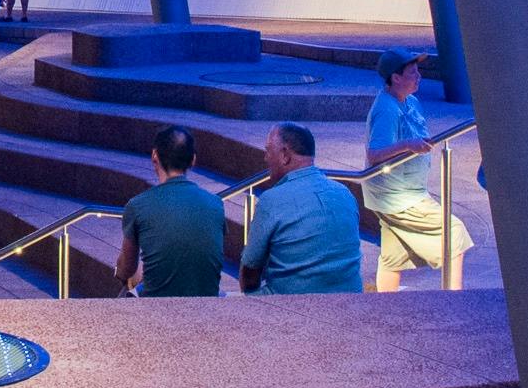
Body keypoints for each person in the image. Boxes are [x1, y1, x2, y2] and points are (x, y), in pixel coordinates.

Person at [361, 59, 473, 292]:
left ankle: (386, 301)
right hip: (397, 195)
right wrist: (407, 145)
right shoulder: (386, 109)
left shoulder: (410, 102)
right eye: (412, 72)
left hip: (403, 190)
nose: (419, 76)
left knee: (394, 252)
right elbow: (374, 154)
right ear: (396, 78)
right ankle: (455, 299)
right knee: (453, 233)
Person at [237, 122, 363, 295]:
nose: (265, 158)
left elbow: (250, 274)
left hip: (290, 308)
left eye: (268, 151)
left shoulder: (271, 201)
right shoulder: (345, 194)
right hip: (351, 303)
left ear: (285, 155)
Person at [114, 126, 226, 297]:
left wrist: (121, 273)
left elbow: (126, 268)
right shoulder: (216, 204)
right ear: (193, 160)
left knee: (127, 290)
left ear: (154, 156)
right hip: (207, 301)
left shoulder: (137, 206)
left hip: (158, 306)